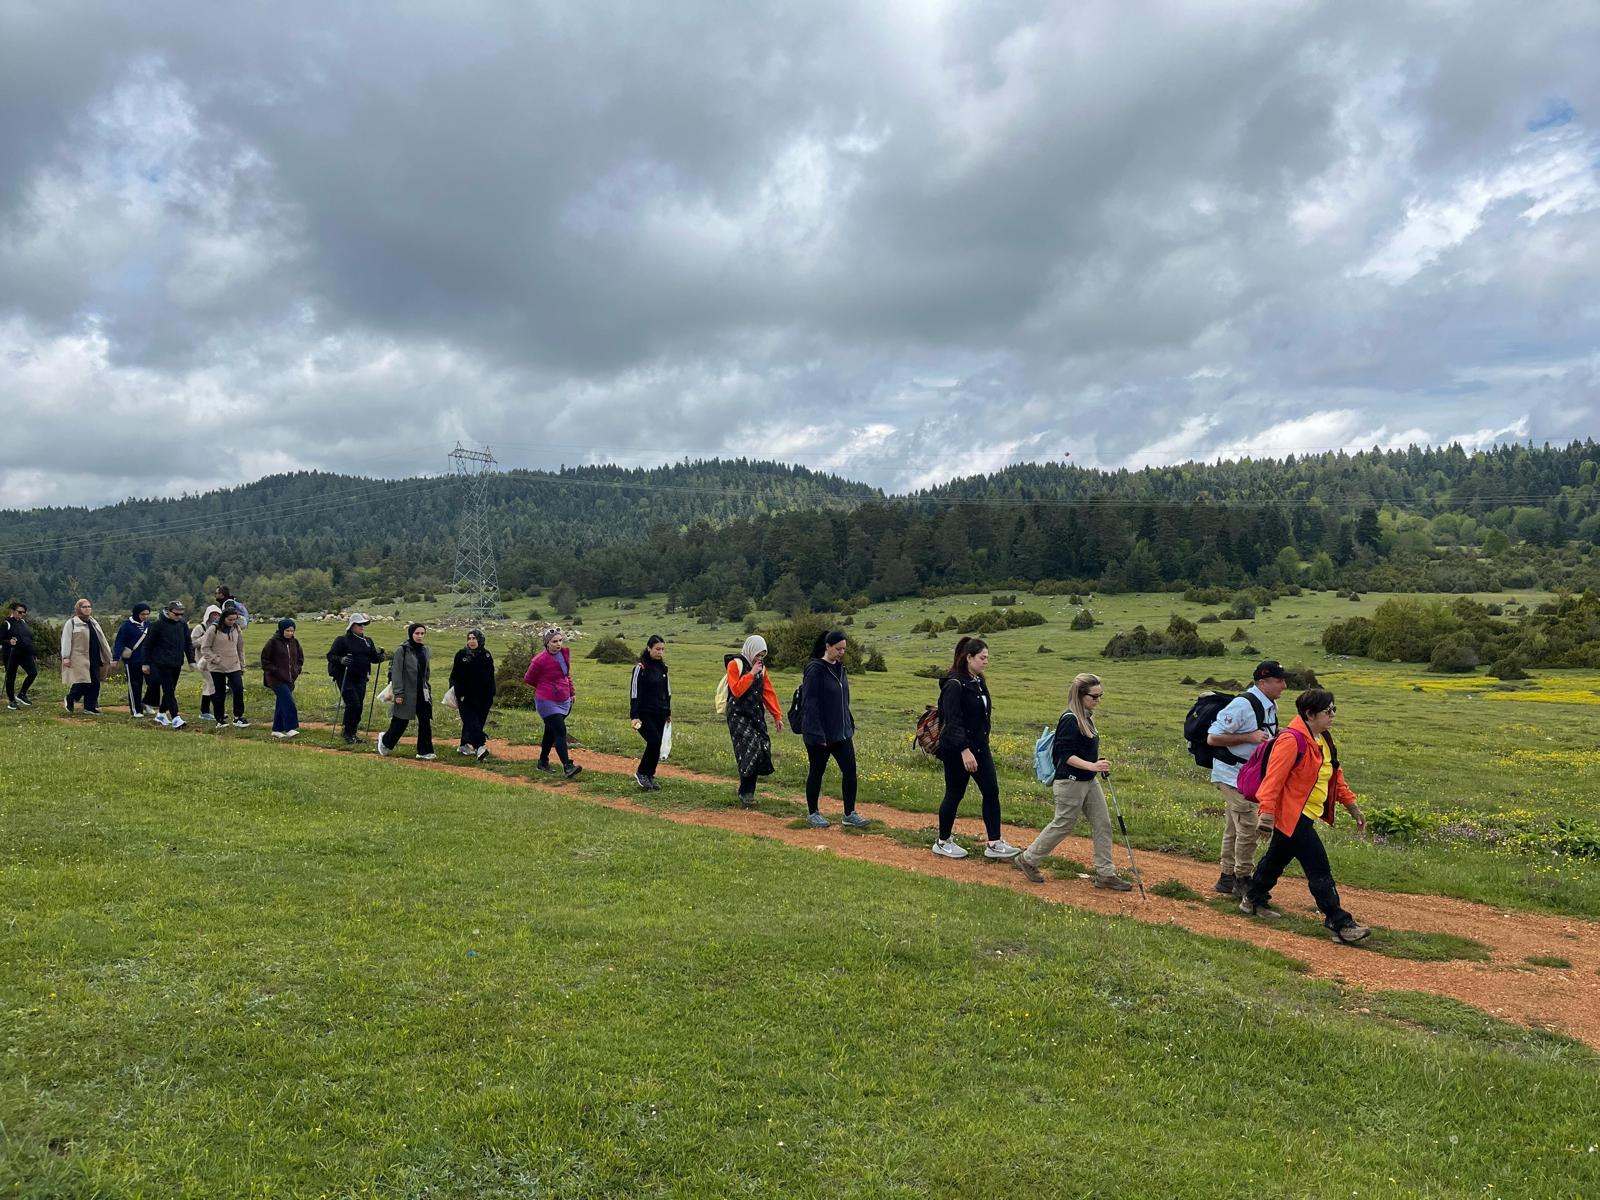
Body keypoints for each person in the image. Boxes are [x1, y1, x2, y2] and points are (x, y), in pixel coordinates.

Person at [1240, 687, 1371, 944]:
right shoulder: (1292, 741)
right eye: (1328, 711)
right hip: (1293, 815)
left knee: (1276, 859)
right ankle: (1339, 922)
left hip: (1306, 814)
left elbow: (1333, 776)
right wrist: (1265, 816)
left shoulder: (1323, 739)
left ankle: (1253, 899)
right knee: (1318, 868)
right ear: (1310, 714)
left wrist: (1352, 806)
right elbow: (1273, 780)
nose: (1333, 715)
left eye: (1334, 709)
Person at [1013, 673, 1131, 889]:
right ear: (1080, 695)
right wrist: (1092, 766)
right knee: (1064, 824)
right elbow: (1065, 755)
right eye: (1094, 697)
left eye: (1100, 696)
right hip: (1069, 781)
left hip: (1088, 779)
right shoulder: (1070, 719)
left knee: (1103, 824)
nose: (1098, 700)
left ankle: (1105, 873)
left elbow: (1082, 749)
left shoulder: (1087, 716)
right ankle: (1028, 859)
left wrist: (1096, 762)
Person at [933, 636, 1021, 860]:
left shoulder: (978, 681)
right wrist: (964, 750)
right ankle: (942, 841)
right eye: (982, 658)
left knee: (991, 791)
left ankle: (994, 843)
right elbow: (952, 722)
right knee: (954, 794)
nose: (986, 662)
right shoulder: (954, 684)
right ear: (969, 658)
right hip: (958, 751)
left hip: (981, 748)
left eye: (987, 658)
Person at [1207, 660, 1288, 898]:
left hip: (1247, 775)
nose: (1284, 685)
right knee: (1249, 827)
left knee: (1235, 827)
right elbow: (1213, 738)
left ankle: (1226, 877)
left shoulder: (1269, 703)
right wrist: (1248, 737)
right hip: (1231, 774)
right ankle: (1243, 879)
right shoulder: (1242, 705)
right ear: (1263, 682)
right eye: (1279, 681)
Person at [800, 630, 866, 828]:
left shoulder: (841, 669)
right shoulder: (815, 669)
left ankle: (849, 813)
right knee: (816, 772)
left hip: (842, 733)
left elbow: (843, 700)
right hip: (820, 735)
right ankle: (813, 813)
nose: (841, 652)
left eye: (844, 649)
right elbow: (809, 704)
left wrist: (849, 722)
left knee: (850, 771)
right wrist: (816, 732)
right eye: (838, 648)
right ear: (827, 646)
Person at [724, 633, 783, 806]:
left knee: (762, 748)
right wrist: (751, 673)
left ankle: (749, 791)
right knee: (749, 750)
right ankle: (745, 793)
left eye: (763, 655)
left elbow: (768, 693)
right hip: (738, 715)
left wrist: (777, 715)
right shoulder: (735, 664)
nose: (760, 658)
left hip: (756, 714)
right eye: (758, 655)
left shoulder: (762, 669)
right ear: (750, 651)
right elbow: (736, 690)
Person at [523, 628, 582, 779]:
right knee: (560, 731)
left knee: (551, 732)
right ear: (547, 643)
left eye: (560, 640)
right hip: (546, 701)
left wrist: (572, 692)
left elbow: (566, 675)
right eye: (554, 641)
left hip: (563, 700)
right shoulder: (539, 660)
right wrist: (546, 687)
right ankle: (567, 766)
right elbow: (528, 678)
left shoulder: (563, 654)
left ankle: (542, 762)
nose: (558, 644)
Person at [379, 622, 435, 759]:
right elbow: (396, 672)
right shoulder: (402, 650)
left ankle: (425, 751)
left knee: (425, 720)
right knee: (401, 721)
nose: (420, 636)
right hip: (406, 692)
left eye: (422, 633)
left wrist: (428, 688)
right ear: (411, 634)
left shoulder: (425, 650)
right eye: (417, 633)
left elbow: (426, 672)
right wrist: (398, 693)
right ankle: (385, 741)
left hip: (422, 692)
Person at [328, 614, 385, 744]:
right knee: (353, 704)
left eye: (363, 624)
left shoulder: (368, 641)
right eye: (360, 624)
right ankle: (347, 733)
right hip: (345, 676)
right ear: (352, 626)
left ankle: (352, 732)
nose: (362, 627)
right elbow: (331, 656)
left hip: (361, 677)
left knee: (358, 707)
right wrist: (341, 660)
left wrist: (380, 657)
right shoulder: (342, 640)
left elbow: (373, 658)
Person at [142, 600, 195, 727]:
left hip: (176, 662)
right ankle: (176, 717)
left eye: (181, 614)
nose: (179, 617)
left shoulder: (182, 625)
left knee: (170, 690)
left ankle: (161, 714)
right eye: (176, 614)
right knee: (169, 690)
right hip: (161, 663)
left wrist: (191, 660)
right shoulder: (157, 625)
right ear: (168, 612)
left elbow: (188, 643)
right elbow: (147, 645)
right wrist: (146, 663)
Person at [628, 635, 671, 790]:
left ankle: (650, 775)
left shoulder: (663, 668)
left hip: (660, 712)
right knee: (653, 741)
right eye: (657, 649)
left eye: (662, 649)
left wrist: (668, 711)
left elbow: (667, 690)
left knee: (657, 744)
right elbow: (634, 693)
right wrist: (634, 715)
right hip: (644, 713)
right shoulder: (641, 668)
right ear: (649, 648)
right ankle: (641, 773)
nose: (660, 652)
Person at [449, 628, 496, 761]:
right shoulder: (461, 654)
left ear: (480, 639)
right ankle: (480, 747)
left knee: (478, 722)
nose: (471, 641)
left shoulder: (486, 655)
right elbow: (455, 676)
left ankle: (464, 745)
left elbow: (490, 676)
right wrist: (458, 693)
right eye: (469, 638)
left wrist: (492, 693)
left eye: (474, 638)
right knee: (471, 721)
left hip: (484, 697)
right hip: (465, 696)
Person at [59, 598, 113, 714]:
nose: (87, 609)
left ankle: (90, 707)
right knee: (82, 681)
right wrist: (65, 656)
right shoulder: (72, 623)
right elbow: (66, 640)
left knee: (95, 682)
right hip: (79, 657)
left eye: (89, 606)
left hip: (95, 656)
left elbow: (101, 639)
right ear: (78, 608)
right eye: (84, 607)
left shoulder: (93, 622)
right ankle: (70, 698)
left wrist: (107, 654)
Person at [201, 603, 250, 728]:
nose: (232, 622)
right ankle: (220, 719)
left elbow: (240, 648)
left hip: (234, 665)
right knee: (220, 692)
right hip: (217, 667)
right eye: (230, 619)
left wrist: (242, 664)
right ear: (223, 618)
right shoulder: (213, 629)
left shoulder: (236, 629)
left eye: (234, 619)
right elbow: (205, 648)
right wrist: (215, 659)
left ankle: (238, 717)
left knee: (238, 689)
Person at [261, 618, 305, 738]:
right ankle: (290, 727)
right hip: (276, 679)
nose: (290, 633)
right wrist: (275, 671)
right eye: (287, 630)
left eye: (292, 631)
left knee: (281, 704)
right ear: (281, 630)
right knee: (288, 702)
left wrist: (296, 670)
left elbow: (300, 659)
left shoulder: (295, 642)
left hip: (290, 679)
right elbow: (265, 660)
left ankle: (276, 729)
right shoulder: (272, 642)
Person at [111, 603, 154, 717]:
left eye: (147, 614)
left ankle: (146, 702)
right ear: (136, 614)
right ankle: (136, 710)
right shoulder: (126, 626)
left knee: (154, 682)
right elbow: (119, 642)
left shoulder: (149, 625)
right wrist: (115, 658)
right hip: (132, 660)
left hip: (147, 661)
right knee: (135, 685)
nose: (145, 616)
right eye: (142, 614)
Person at [4, 601, 38, 710]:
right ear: (13, 611)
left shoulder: (23, 622)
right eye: (19, 612)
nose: (22, 614)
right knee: (11, 677)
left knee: (33, 673)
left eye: (24, 612)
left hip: (25, 653)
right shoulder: (6, 623)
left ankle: (21, 694)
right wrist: (9, 642)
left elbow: (28, 638)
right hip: (11, 653)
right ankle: (11, 701)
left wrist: (34, 652)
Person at [192, 604, 223, 722]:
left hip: (214, 660)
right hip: (202, 661)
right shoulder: (200, 628)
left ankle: (212, 711)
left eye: (218, 614)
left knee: (210, 684)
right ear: (208, 615)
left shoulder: (219, 627)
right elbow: (192, 644)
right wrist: (204, 638)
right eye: (213, 614)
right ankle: (206, 711)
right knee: (211, 683)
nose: (216, 616)